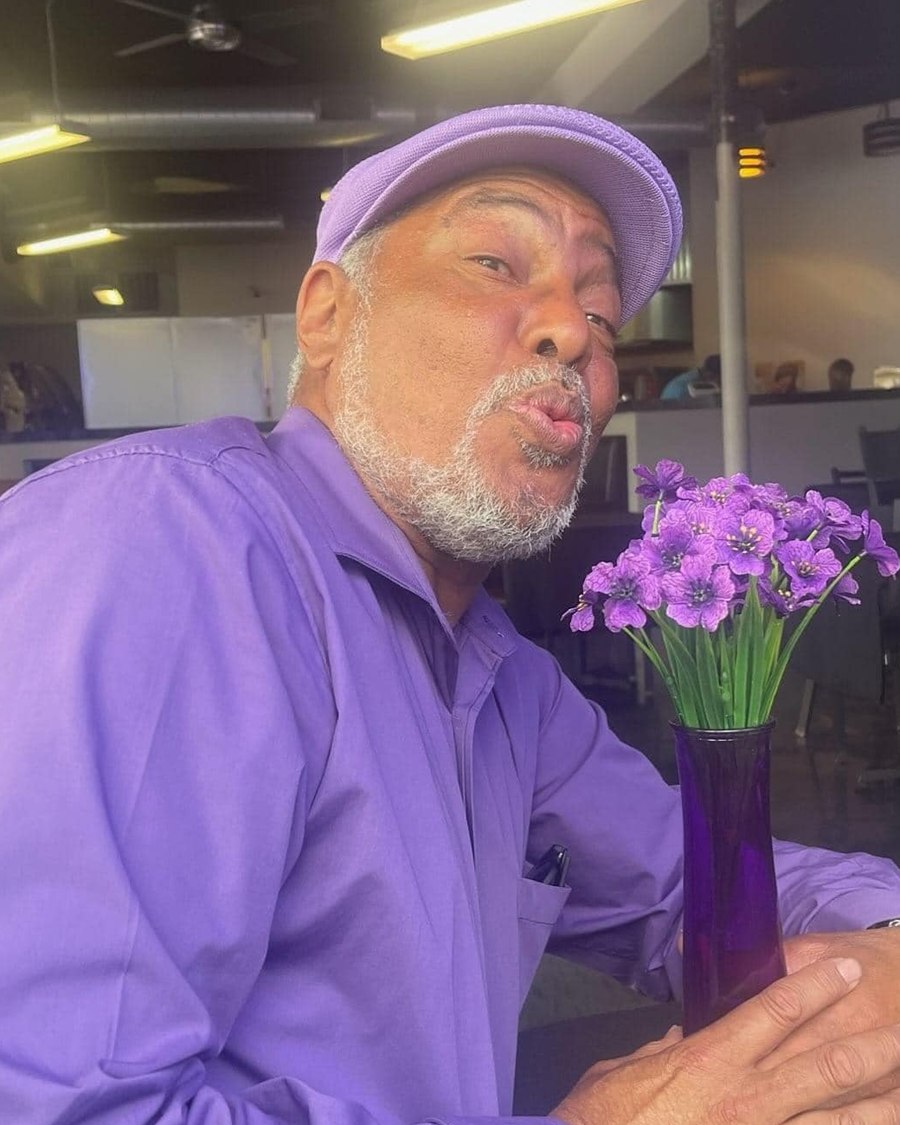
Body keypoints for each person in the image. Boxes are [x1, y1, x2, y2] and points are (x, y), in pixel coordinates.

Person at [1, 104, 900, 1125]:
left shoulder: (499, 676)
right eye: (494, 263)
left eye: (603, 317)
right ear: (329, 313)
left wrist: (886, 950)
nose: (571, 331)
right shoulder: (165, 548)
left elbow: (682, 883)